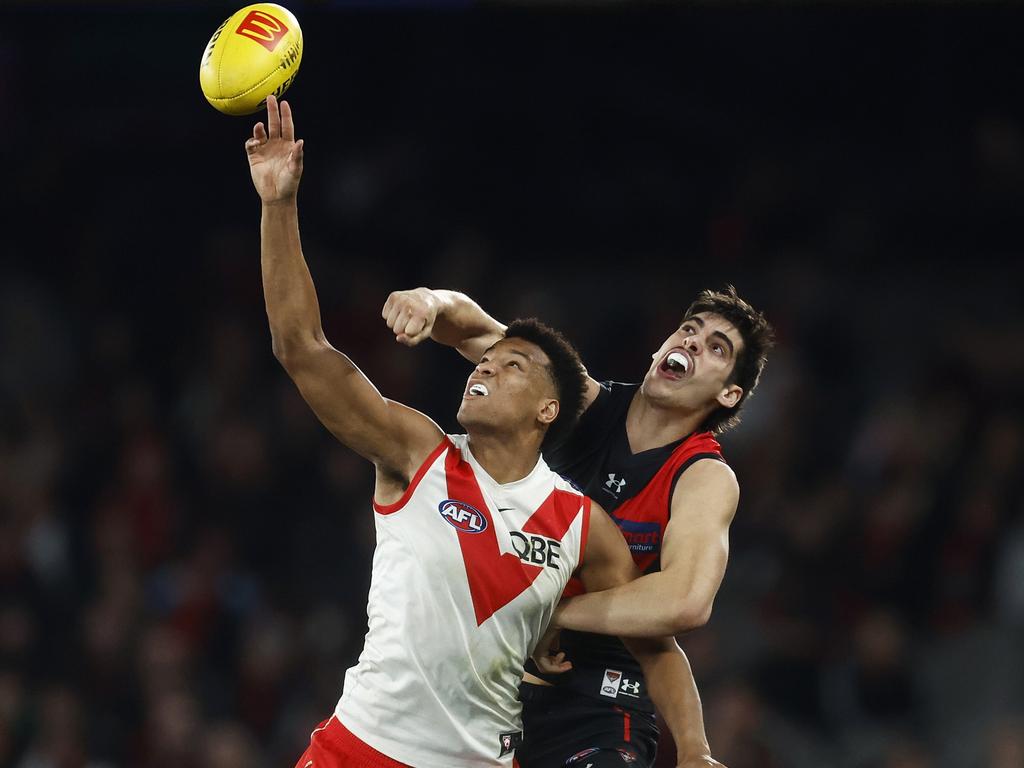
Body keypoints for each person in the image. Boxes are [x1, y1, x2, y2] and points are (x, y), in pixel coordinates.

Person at [245, 95, 714, 768]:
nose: (486, 367)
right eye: (487, 360)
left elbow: (654, 643)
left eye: (512, 365)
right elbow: (301, 348)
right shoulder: (417, 452)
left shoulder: (582, 526)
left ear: (547, 411)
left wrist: (694, 752)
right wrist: (278, 205)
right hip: (359, 751)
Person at [381, 285, 773, 768]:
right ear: (660, 347)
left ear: (728, 393)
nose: (692, 342)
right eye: (689, 329)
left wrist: (550, 610)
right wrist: (431, 301)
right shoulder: (575, 401)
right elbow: (482, 332)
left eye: (717, 347)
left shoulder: (703, 476)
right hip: (492, 688)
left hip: (601, 701)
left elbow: (685, 602)